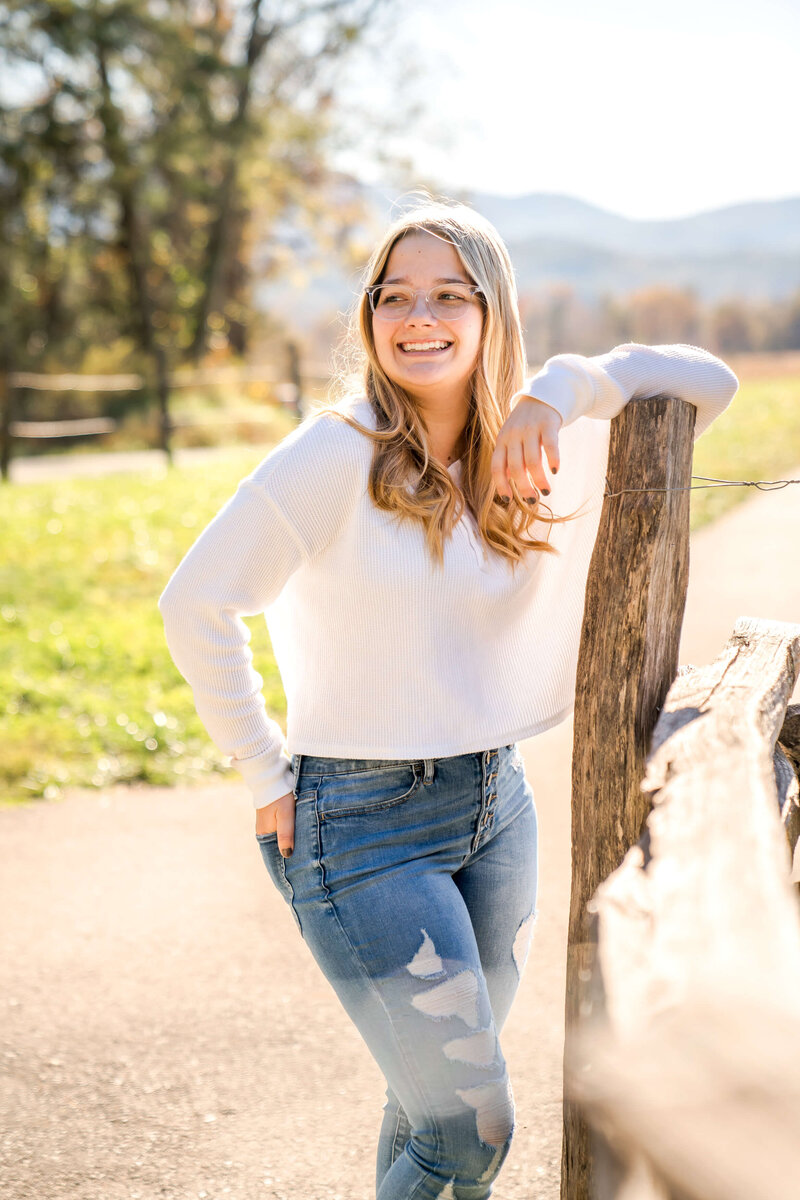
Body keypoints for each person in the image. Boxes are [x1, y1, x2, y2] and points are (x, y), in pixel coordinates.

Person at [157, 198, 738, 1199]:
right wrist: (264, 773)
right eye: (392, 296)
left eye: (446, 295)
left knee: (426, 1111)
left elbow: (709, 383)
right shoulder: (335, 452)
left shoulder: (530, 440)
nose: (415, 316)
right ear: (371, 318)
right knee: (469, 1130)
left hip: (493, 812)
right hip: (359, 826)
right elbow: (195, 603)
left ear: (491, 312)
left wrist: (561, 389)